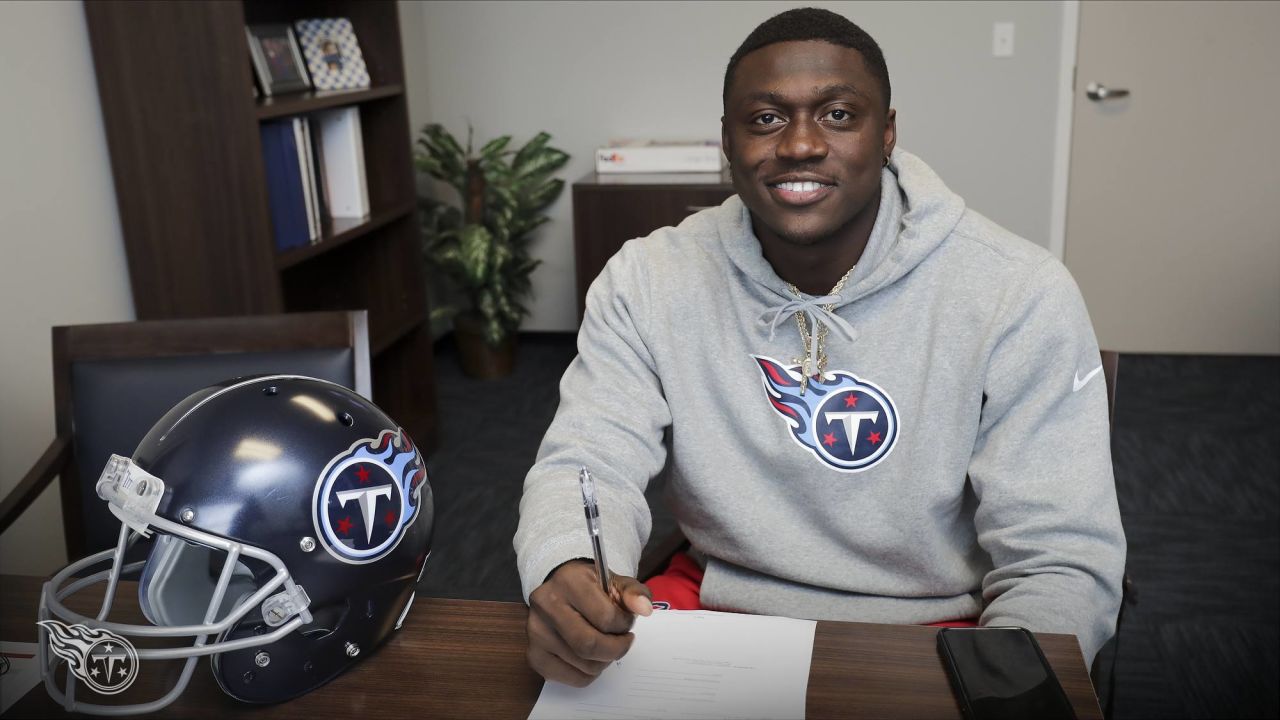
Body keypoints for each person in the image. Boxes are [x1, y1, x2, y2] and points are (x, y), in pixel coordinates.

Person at [515, 7, 1126, 687]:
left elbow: (1059, 557)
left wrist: (1014, 685)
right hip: (720, 609)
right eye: (766, 118)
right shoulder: (648, 281)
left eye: (839, 115)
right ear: (727, 139)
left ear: (887, 133)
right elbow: (587, 461)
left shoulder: (1019, 293)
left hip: (943, 624)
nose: (801, 144)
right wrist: (567, 562)